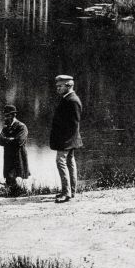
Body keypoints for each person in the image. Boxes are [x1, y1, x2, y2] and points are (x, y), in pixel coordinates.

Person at [49, 75, 83, 203]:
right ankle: (71, 191)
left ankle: (66, 193)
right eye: (57, 86)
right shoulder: (67, 98)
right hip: (69, 139)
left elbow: (74, 123)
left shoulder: (72, 100)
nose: (57, 89)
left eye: (60, 86)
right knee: (70, 162)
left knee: (61, 162)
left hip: (67, 139)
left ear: (68, 86)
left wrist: (64, 139)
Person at [0, 104, 30, 196]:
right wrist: (10, 139)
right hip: (8, 157)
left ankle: (19, 194)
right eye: (5, 115)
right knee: (9, 178)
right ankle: (11, 194)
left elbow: (19, 141)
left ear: (13, 115)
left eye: (7, 115)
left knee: (18, 178)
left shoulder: (21, 127)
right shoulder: (6, 127)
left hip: (18, 157)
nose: (5, 118)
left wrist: (6, 140)